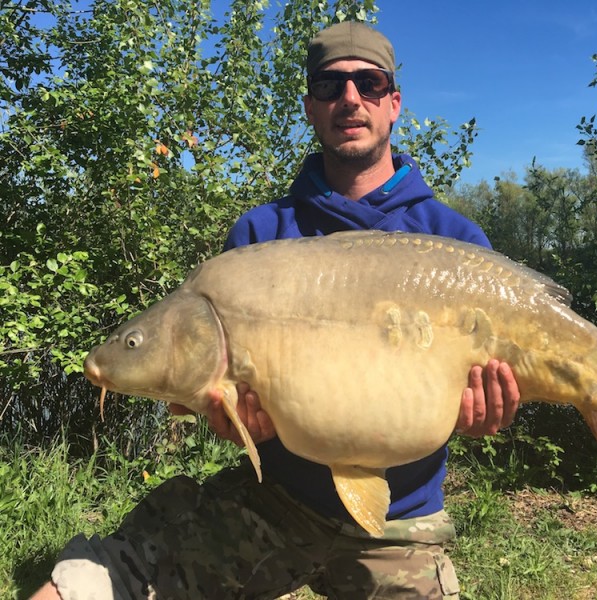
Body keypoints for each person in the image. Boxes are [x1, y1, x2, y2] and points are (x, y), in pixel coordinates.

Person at [32, 21, 520, 600]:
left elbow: (480, 396)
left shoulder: (452, 242)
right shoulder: (261, 235)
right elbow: (234, 413)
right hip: (277, 501)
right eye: (329, 86)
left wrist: (489, 412)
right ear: (310, 107)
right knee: (92, 583)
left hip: (401, 520)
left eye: (368, 83)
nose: (349, 100)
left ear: (394, 103)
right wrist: (233, 426)